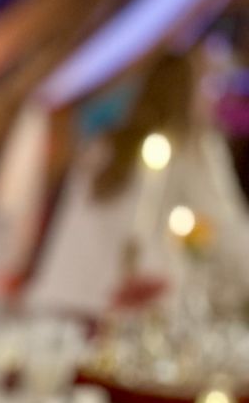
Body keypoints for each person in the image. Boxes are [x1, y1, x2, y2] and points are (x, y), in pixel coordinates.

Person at [24, 52, 249, 317]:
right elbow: (229, 229)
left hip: (60, 296)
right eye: (211, 87)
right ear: (191, 93)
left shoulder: (101, 145)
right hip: (126, 305)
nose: (215, 99)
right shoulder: (192, 151)